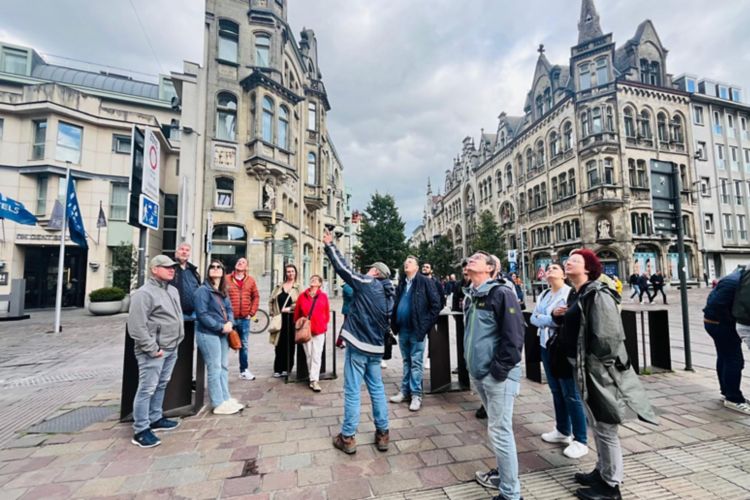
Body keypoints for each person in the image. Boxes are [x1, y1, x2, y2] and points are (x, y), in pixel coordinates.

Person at [562, 249, 656, 500]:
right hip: (584, 367)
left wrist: (594, 364)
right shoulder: (579, 293)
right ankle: (602, 471)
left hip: (598, 370)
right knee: (596, 422)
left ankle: (611, 486)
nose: (568, 262)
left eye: (575, 260)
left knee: (605, 425)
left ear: (588, 268)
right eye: (567, 259)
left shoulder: (598, 294)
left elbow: (609, 338)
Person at [324, 230, 394, 454]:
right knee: (377, 388)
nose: (367, 271)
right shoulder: (388, 293)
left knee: (353, 390)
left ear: (375, 272)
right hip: (377, 348)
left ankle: (347, 437)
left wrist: (330, 246)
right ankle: (383, 433)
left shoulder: (368, 282)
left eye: (370, 269)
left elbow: (343, 270)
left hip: (359, 345)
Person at [465, 251, 525, 500]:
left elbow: (514, 336)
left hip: (497, 375)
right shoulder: (473, 294)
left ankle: (511, 494)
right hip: (481, 373)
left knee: (500, 431)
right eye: (469, 258)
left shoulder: (501, 293)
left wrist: (498, 371)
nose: (470, 259)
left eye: (477, 258)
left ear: (490, 268)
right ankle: (504, 475)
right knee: (497, 429)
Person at [530, 263, 588, 459]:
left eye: (554, 268)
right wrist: (551, 318)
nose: (549, 270)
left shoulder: (570, 294)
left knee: (570, 393)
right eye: (548, 268)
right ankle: (562, 430)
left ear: (563, 275)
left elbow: (567, 320)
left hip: (563, 348)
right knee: (555, 390)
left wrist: (547, 319)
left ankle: (580, 439)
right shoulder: (544, 294)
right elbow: (533, 318)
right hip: (546, 346)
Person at [127, 255, 185, 448]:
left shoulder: (172, 290)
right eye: (166, 267)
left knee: (161, 384)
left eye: (173, 267)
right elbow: (136, 326)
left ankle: (155, 418)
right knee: (147, 388)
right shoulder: (144, 293)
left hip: (171, 346)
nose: (172, 269)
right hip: (154, 350)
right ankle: (141, 429)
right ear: (154, 269)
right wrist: (152, 348)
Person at [389, 255, 442, 412]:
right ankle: (405, 391)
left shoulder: (425, 282)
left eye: (410, 262)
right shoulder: (402, 284)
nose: (407, 264)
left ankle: (416, 395)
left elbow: (436, 305)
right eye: (405, 262)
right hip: (402, 329)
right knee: (407, 361)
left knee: (416, 363)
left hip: (417, 330)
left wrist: (425, 325)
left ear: (417, 268)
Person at [194, 259, 242, 415]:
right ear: (208, 271)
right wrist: (220, 326)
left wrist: (230, 322)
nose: (215, 269)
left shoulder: (223, 290)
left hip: (222, 333)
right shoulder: (203, 291)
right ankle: (217, 402)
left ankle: (225, 397)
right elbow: (202, 315)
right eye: (212, 267)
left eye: (218, 267)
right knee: (214, 368)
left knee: (223, 366)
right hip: (208, 334)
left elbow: (229, 309)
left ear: (223, 271)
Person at [704, 268, 750, 415]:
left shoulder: (737, 278)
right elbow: (716, 304)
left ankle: (727, 391)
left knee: (724, 357)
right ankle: (733, 398)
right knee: (734, 360)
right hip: (720, 324)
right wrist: (734, 321)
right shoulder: (734, 282)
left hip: (717, 322)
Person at [294, 274, 330, 392]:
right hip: (306, 330)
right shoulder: (302, 296)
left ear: (320, 284)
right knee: (309, 355)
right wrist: (299, 325)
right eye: (312, 279)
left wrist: (323, 324)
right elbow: (297, 314)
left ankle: (314, 380)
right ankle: (312, 377)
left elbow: (326, 314)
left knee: (317, 355)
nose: (313, 280)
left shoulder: (323, 296)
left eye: (316, 279)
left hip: (319, 330)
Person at [225, 258, 260, 381]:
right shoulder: (226, 279)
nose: (240, 263)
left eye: (243, 262)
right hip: (229, 318)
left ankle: (244, 370)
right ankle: (222, 370)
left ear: (247, 267)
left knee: (244, 345)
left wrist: (251, 313)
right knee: (224, 344)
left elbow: (256, 297)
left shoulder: (250, 280)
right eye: (238, 261)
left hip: (244, 319)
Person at [269, 264, 301, 378]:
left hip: (291, 319)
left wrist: (290, 308)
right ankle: (278, 368)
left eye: (292, 271)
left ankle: (287, 368)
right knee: (279, 344)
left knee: (290, 344)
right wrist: (272, 313)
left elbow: (301, 303)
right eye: (288, 271)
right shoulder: (279, 286)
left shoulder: (298, 287)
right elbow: (271, 300)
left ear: (295, 273)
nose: (290, 273)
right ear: (285, 273)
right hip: (279, 318)